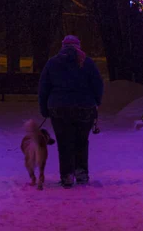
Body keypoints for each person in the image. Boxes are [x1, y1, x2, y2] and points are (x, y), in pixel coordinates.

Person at [38, 35, 104, 188]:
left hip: (58, 108)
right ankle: (81, 173)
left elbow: (43, 88)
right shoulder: (87, 62)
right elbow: (98, 84)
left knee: (64, 142)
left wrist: (44, 109)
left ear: (63, 47)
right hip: (85, 108)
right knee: (81, 141)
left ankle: (67, 176)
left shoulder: (53, 63)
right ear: (78, 46)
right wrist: (96, 102)